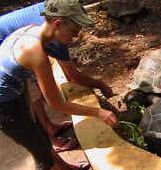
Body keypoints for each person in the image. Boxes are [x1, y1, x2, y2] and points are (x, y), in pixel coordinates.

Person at [0, 0, 118, 169]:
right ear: (57, 23)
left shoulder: (32, 29)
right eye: (74, 31)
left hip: (13, 92)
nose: (75, 37)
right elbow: (55, 103)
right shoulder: (35, 52)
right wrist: (98, 112)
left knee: (39, 133)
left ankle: (63, 166)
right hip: (4, 107)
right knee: (40, 153)